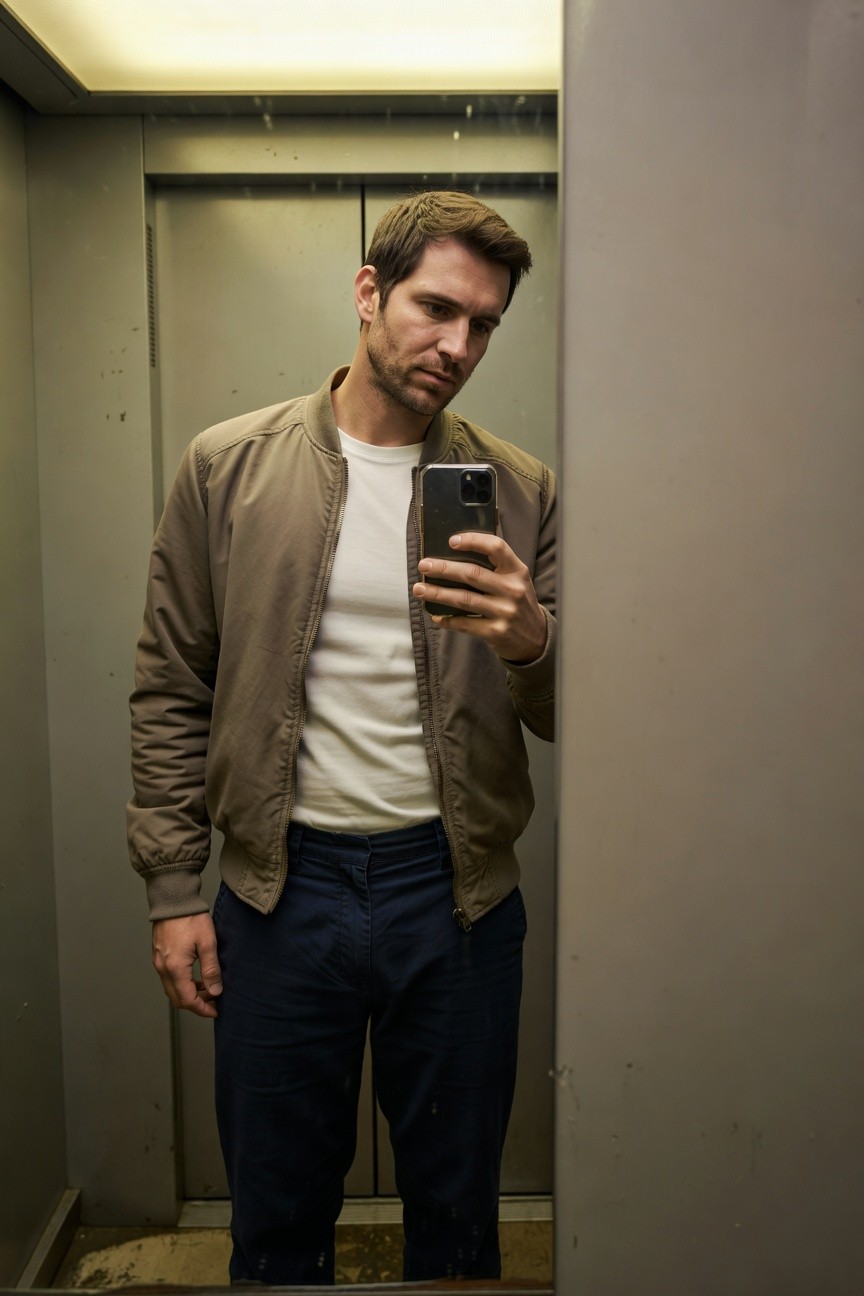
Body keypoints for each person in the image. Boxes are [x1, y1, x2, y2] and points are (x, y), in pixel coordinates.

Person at [127, 189, 556, 1286]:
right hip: (279, 891)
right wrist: (177, 889)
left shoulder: (518, 489)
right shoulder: (226, 467)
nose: (457, 345)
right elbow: (171, 684)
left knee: (458, 1220)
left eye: (485, 324)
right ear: (368, 293)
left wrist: (531, 643)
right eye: (435, 307)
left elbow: (570, 717)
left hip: (456, 896)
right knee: (276, 1220)